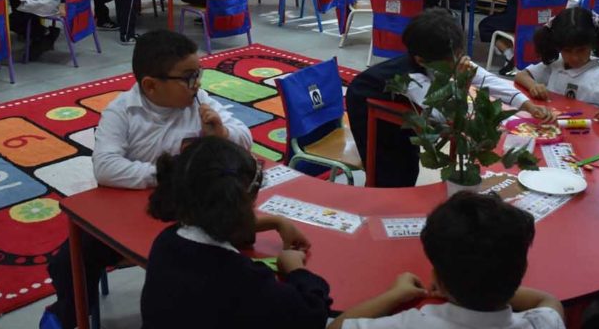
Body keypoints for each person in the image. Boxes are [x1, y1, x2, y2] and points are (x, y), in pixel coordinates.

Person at [44, 30, 253, 329]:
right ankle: (72, 311)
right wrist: (171, 174)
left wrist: (222, 134)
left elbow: (245, 139)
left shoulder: (198, 102)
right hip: (130, 214)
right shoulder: (122, 112)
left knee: (237, 239)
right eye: (188, 77)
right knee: (67, 262)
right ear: (151, 85)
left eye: (198, 74)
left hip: (191, 214)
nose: (197, 84)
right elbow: (106, 167)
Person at [346, 8, 555, 188]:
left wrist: (526, 104)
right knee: (388, 166)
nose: (460, 61)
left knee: (408, 159)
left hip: (399, 101)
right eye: (453, 59)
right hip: (365, 99)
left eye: (460, 54)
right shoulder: (412, 78)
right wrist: (462, 84)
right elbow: (441, 113)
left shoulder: (440, 57)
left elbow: (486, 79)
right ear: (422, 60)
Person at [141, 136, 333, 329]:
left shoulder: (165, 241)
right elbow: (312, 315)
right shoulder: (243, 279)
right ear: (240, 204)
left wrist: (275, 221)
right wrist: (296, 269)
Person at [331, 192, 563, 328]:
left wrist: (394, 295)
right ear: (522, 269)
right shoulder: (541, 324)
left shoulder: (409, 324)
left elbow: (336, 326)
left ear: (438, 280)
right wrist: (483, 287)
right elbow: (548, 300)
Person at [514, 7, 599, 122]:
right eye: (567, 50)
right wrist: (534, 86)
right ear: (558, 47)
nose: (574, 57)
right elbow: (521, 75)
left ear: (592, 44)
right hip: (552, 130)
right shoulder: (557, 64)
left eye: (581, 50)